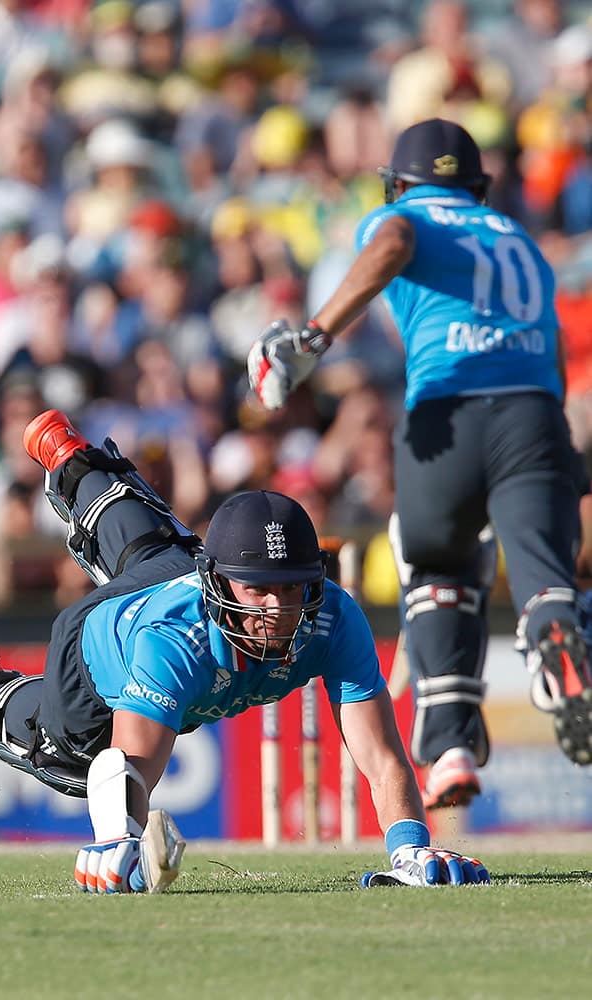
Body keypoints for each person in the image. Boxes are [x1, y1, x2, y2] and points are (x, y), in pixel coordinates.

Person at [0, 408, 489, 892]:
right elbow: (128, 766)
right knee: (70, 755)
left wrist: (410, 850)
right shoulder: (172, 645)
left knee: (152, 544)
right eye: (258, 588)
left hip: (172, 571)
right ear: (219, 583)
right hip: (97, 647)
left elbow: (381, 756)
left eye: (291, 587)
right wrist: (119, 838)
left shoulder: (333, 614)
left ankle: (73, 460)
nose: (277, 609)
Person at [247, 117, 592, 811]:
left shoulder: (401, 214)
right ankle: (555, 639)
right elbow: (551, 358)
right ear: (478, 186)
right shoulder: (521, 240)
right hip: (535, 414)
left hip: (449, 409)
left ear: (399, 182)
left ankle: (450, 745)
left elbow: (398, 240)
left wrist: (315, 337)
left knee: (434, 563)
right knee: (545, 583)